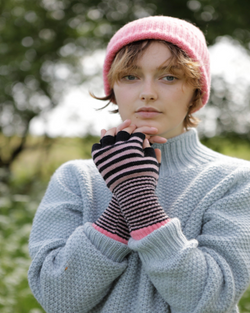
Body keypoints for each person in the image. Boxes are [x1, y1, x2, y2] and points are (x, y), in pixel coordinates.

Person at [28, 16, 250, 313]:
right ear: (113, 89)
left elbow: (210, 300)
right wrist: (124, 194)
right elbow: (57, 298)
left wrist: (138, 198)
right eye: (130, 76)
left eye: (169, 77)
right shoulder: (76, 179)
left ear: (196, 92)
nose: (147, 92)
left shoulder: (234, 180)